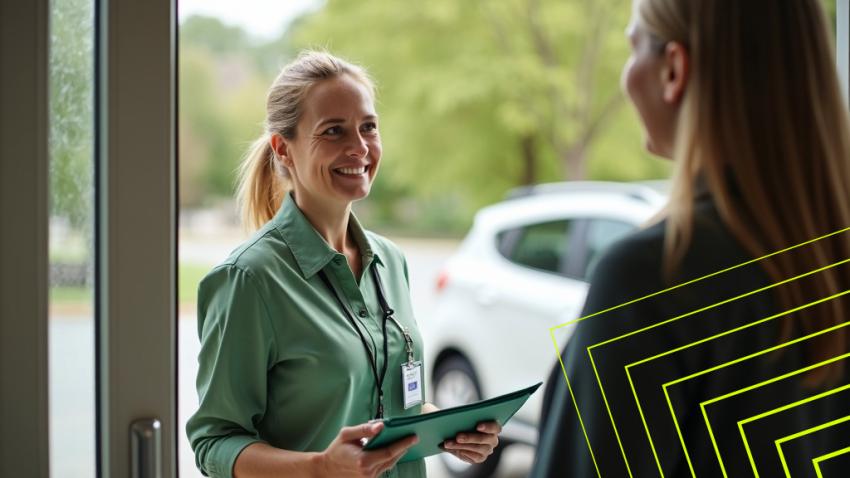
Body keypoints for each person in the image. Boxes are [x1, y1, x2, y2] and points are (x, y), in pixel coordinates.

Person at [532, 0, 850, 476]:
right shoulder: (826, 260)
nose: (627, 74)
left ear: (674, 70)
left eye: (634, 44)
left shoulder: (654, 275)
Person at [186, 51, 501, 478]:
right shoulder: (249, 280)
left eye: (368, 126)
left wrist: (450, 428)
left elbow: (392, 400)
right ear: (284, 149)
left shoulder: (391, 261)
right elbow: (214, 443)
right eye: (333, 131)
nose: (359, 147)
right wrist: (320, 468)